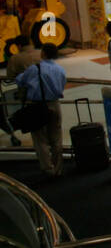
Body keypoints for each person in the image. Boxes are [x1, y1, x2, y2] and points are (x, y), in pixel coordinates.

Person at [15, 43, 65, 177]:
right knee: (56, 138)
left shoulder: (34, 69)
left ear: (43, 53)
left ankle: (48, 169)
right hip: (55, 104)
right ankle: (58, 168)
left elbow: (20, 80)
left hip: (37, 107)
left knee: (40, 139)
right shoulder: (60, 70)